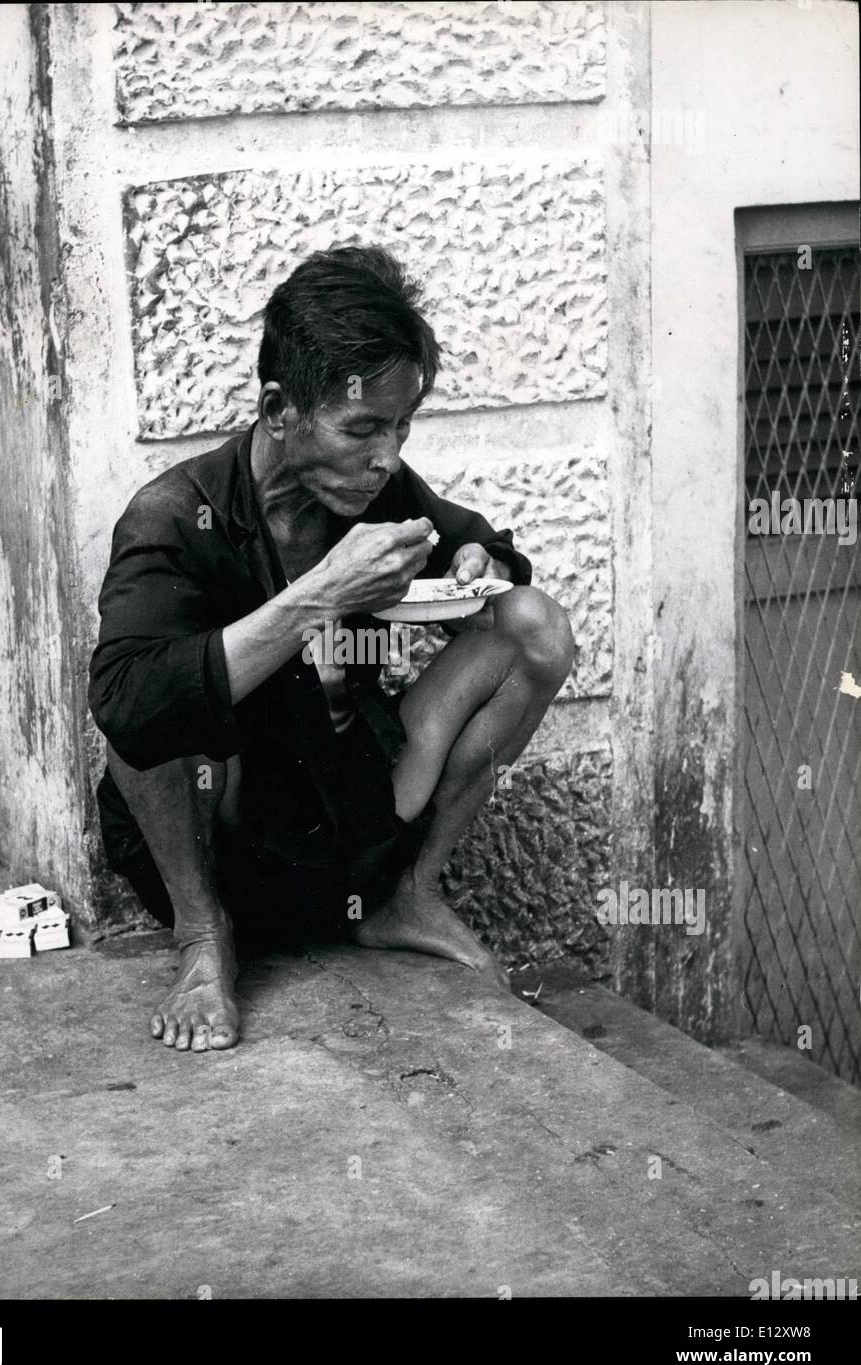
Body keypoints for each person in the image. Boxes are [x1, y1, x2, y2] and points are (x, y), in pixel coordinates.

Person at [89, 245, 574, 1054]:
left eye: (401, 427)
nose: (388, 455)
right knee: (156, 693)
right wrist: (320, 595)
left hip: (352, 825)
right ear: (279, 409)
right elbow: (126, 706)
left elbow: (472, 540)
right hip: (232, 842)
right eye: (363, 429)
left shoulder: (372, 487)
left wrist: (479, 563)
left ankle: (407, 895)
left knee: (533, 625)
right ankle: (204, 941)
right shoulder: (174, 516)